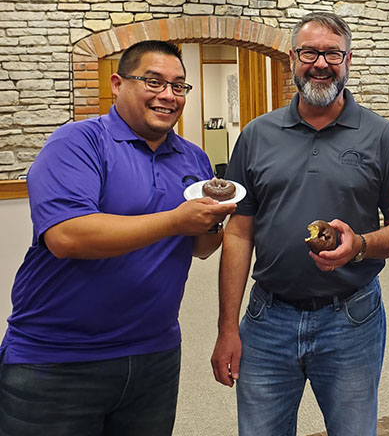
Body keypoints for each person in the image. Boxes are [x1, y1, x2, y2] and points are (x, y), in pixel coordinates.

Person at [0, 40, 236, 436]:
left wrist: (216, 221)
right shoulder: (77, 143)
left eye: (179, 86)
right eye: (153, 81)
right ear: (117, 83)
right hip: (57, 360)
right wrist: (177, 220)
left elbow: (201, 248)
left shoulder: (194, 158)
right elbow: (67, 236)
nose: (168, 95)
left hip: (155, 354)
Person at [211, 12, 389, 436]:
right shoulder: (255, 135)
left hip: (351, 319)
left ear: (348, 59)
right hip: (268, 319)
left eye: (332, 53)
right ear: (291, 59)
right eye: (309, 52)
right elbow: (239, 232)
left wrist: (359, 245)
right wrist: (227, 327)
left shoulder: (383, 137)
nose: (320, 63)